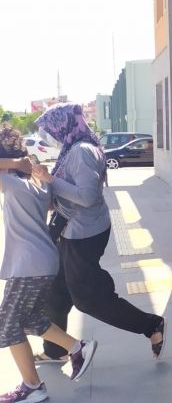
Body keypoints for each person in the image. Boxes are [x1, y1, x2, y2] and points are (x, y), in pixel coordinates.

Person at [30, 103, 166, 362]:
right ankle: (55, 350)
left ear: (63, 125)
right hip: (70, 229)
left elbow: (88, 196)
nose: (48, 135)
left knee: (88, 298)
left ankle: (151, 325)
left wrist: (51, 181)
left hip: (83, 234)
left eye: (50, 129)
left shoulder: (81, 151)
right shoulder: (72, 148)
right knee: (56, 291)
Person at [0, 124, 97, 403]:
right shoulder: (38, 182)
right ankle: (77, 348)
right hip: (43, 261)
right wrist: (21, 163)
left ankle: (32, 387)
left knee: (7, 325)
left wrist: (16, 163)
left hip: (29, 265)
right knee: (30, 319)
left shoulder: (10, 182)